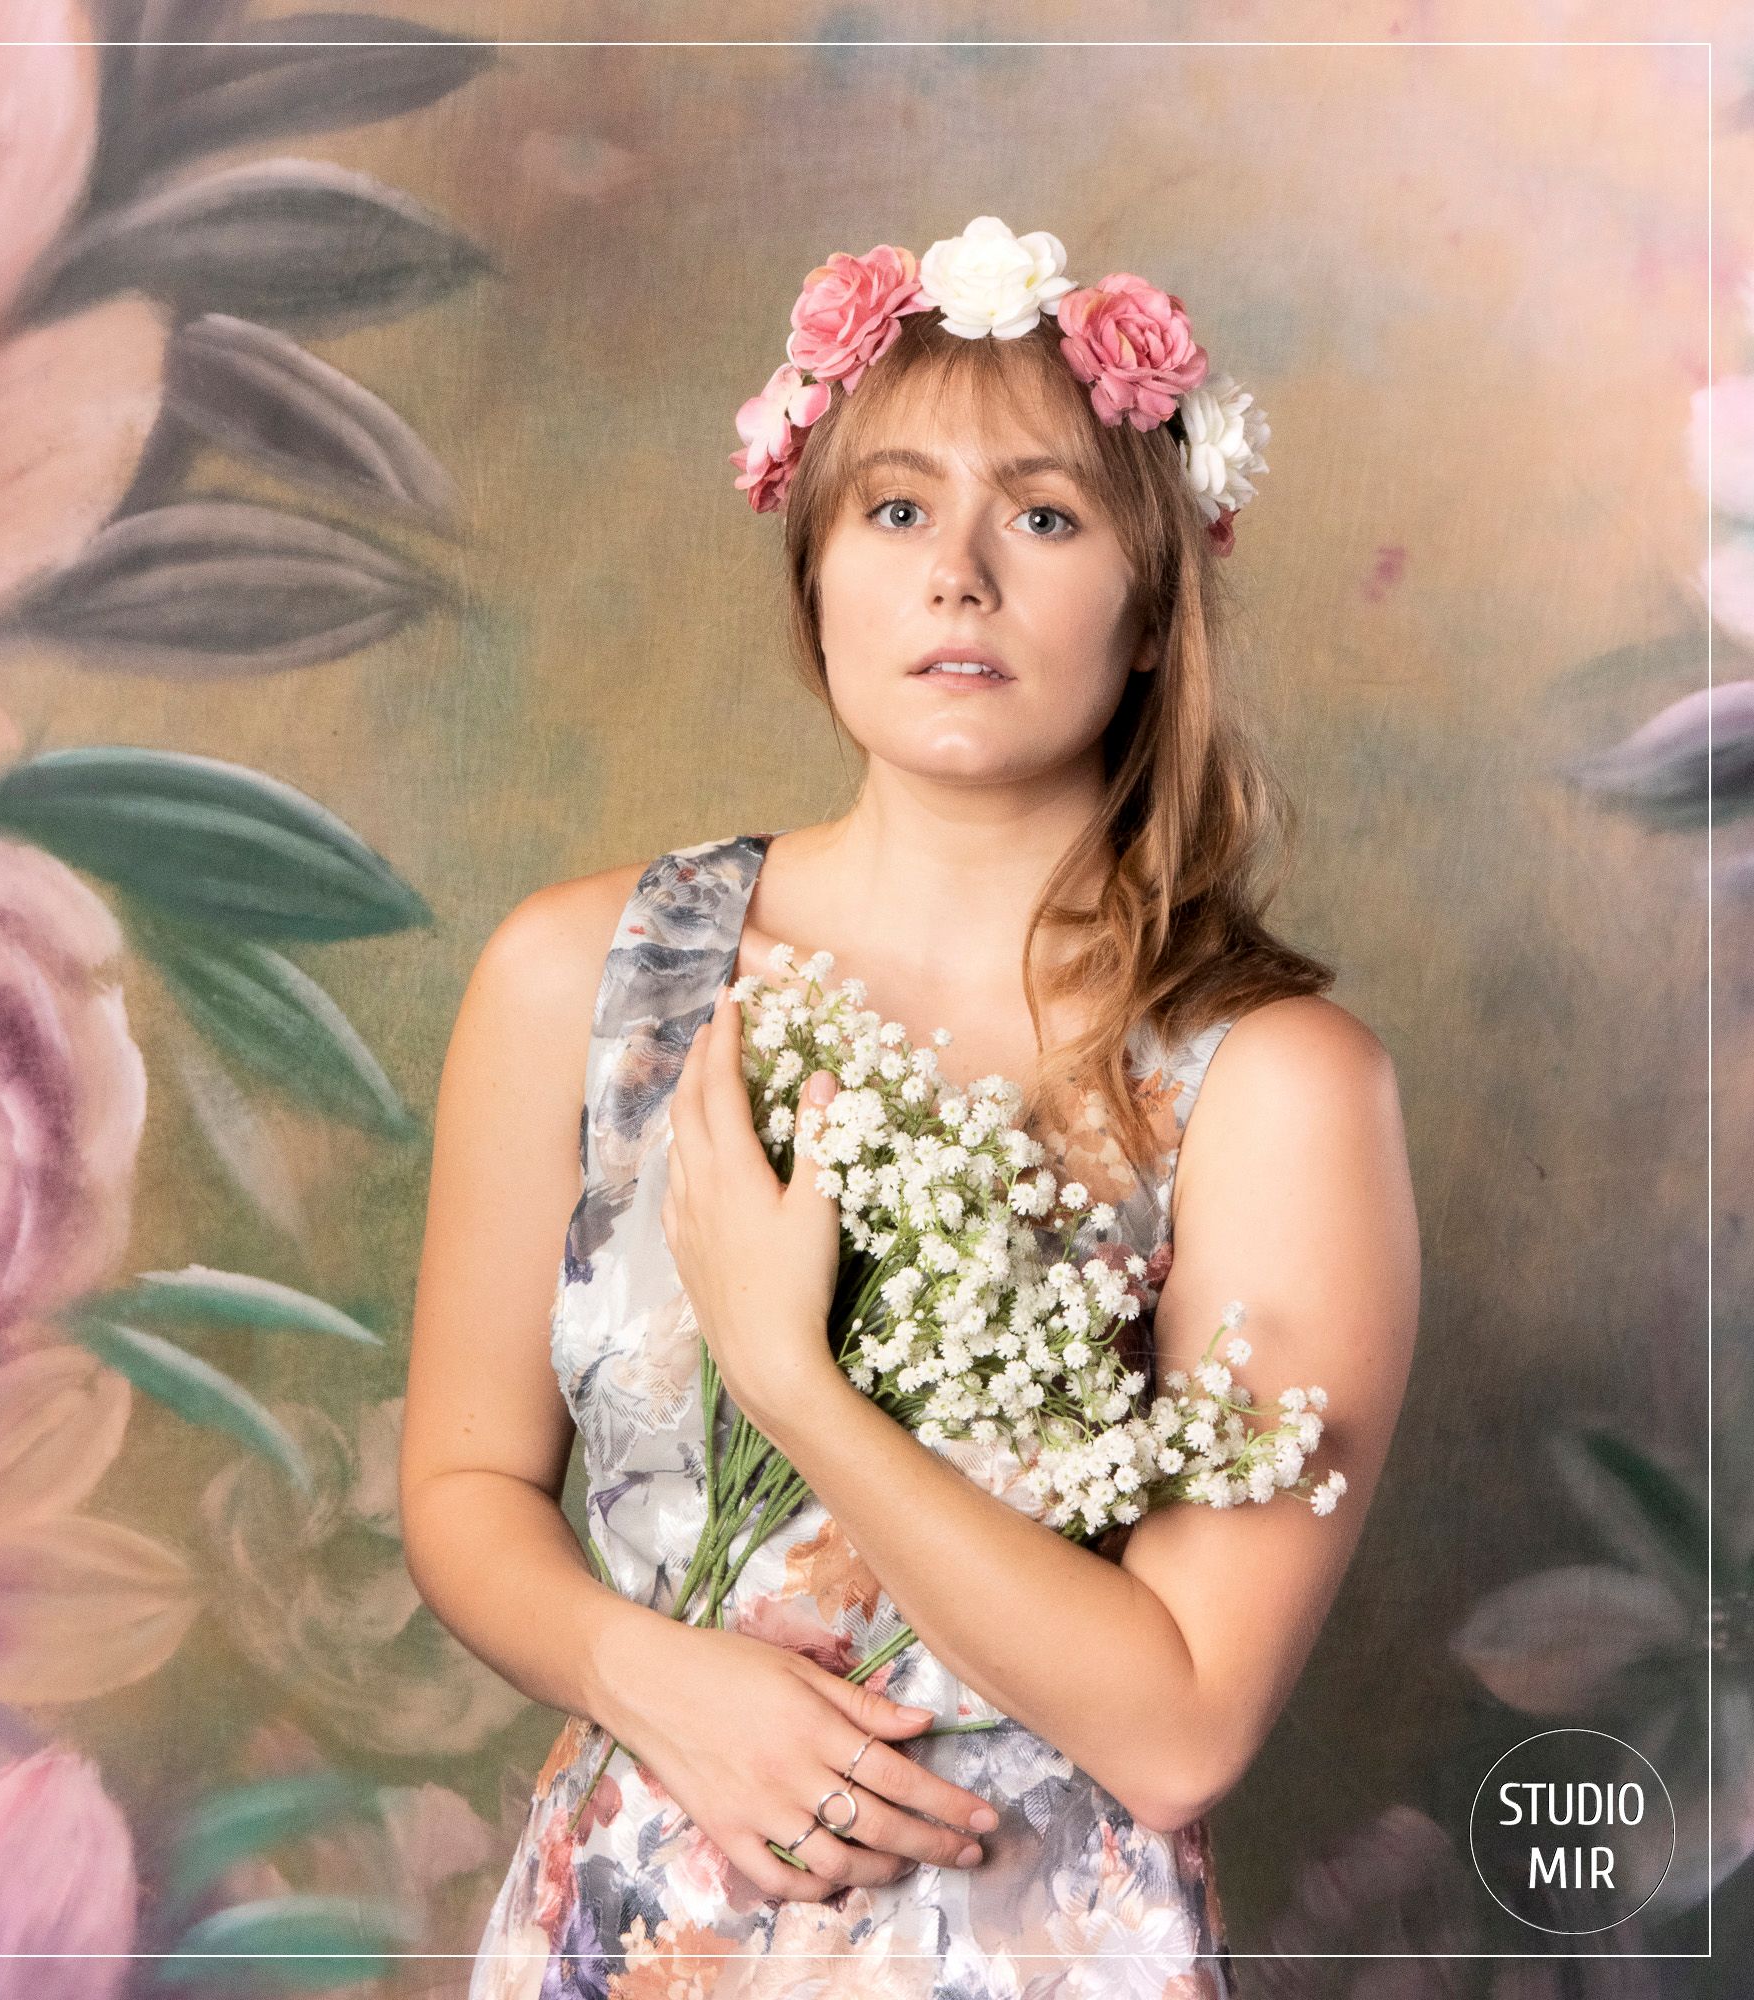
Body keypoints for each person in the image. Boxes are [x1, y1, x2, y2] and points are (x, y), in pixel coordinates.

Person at [401, 216, 1421, 1999]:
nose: (959, 573)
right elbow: (468, 1480)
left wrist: (790, 1374)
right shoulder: (581, 974)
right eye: (894, 510)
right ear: (814, 572)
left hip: (1036, 1949)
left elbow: (1181, 1725)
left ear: (1154, 596)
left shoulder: (1273, 1081)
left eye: (1042, 514)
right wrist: (641, 1672)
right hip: (637, 1928)